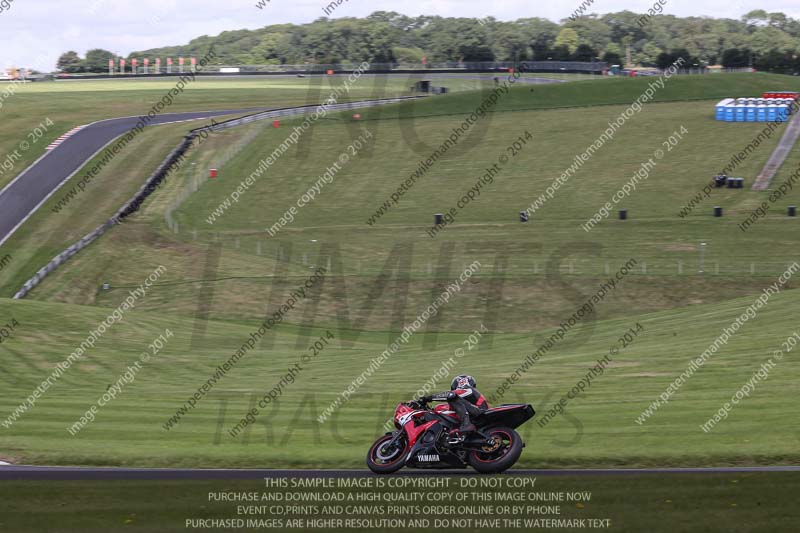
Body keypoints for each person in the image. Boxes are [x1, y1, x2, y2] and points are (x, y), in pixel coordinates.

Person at [422, 374, 488, 434]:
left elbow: (451, 395)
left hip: (480, 413)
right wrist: (432, 410)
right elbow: (449, 408)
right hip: (476, 415)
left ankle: (466, 424)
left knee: (452, 397)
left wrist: (428, 398)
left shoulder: (469, 390)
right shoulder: (463, 401)